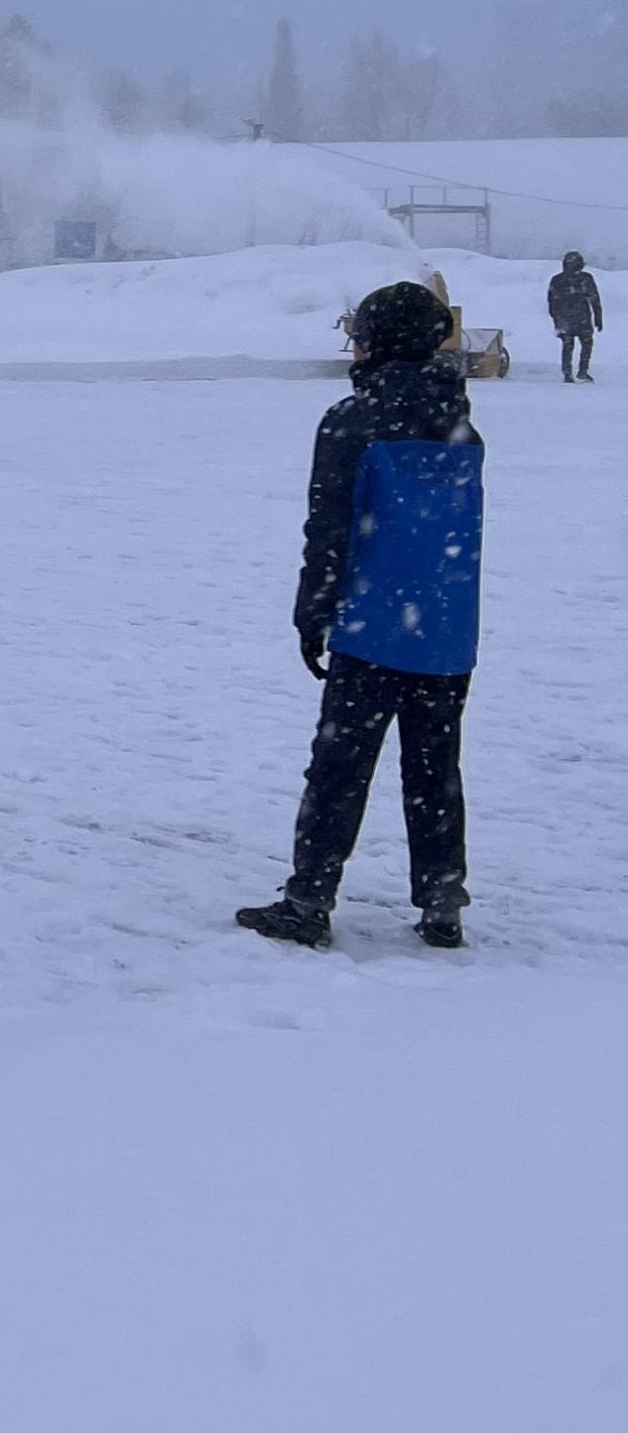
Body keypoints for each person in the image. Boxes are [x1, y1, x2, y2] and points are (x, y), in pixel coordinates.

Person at [237, 279, 479, 953]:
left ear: (376, 342)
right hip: (447, 627)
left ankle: (308, 900)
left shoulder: (352, 421)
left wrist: (312, 613)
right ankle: (442, 904)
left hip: (372, 625)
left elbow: (331, 530)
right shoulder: (463, 425)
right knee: (435, 770)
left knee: (340, 768)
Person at [548, 250, 602, 383]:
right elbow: (594, 299)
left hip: (566, 319)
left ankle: (568, 373)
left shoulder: (557, 280)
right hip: (581, 318)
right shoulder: (586, 278)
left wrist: (556, 319)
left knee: (568, 346)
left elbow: (551, 302)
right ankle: (582, 371)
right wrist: (598, 317)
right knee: (585, 344)